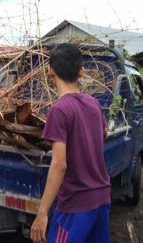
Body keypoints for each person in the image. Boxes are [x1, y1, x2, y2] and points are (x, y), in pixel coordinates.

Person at [30, 43, 111, 243]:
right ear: (81, 72)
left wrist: (42, 212)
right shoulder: (94, 103)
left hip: (76, 204)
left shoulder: (59, 110)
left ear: (50, 72)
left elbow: (59, 164)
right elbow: (104, 134)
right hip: (102, 198)